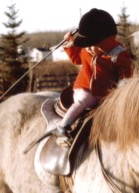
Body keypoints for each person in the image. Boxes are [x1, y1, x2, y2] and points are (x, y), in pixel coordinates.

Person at [56, 8, 133, 139]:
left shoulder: (119, 55)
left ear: (105, 42)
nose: (89, 48)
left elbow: (125, 76)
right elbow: (76, 59)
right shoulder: (87, 50)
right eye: (88, 45)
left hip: (105, 93)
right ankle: (63, 126)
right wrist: (70, 44)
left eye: (92, 45)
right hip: (84, 89)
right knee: (84, 101)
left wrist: (123, 89)